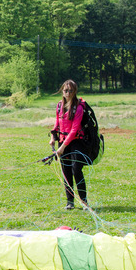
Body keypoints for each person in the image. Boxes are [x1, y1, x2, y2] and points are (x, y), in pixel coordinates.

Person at [48, 79, 88, 210]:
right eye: (66, 90)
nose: (68, 93)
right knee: (66, 172)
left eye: (71, 91)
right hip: (62, 140)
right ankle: (70, 201)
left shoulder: (79, 107)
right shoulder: (59, 105)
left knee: (76, 169)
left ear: (75, 91)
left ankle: (84, 201)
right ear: (62, 91)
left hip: (76, 142)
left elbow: (74, 129)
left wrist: (62, 147)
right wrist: (53, 137)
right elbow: (57, 123)